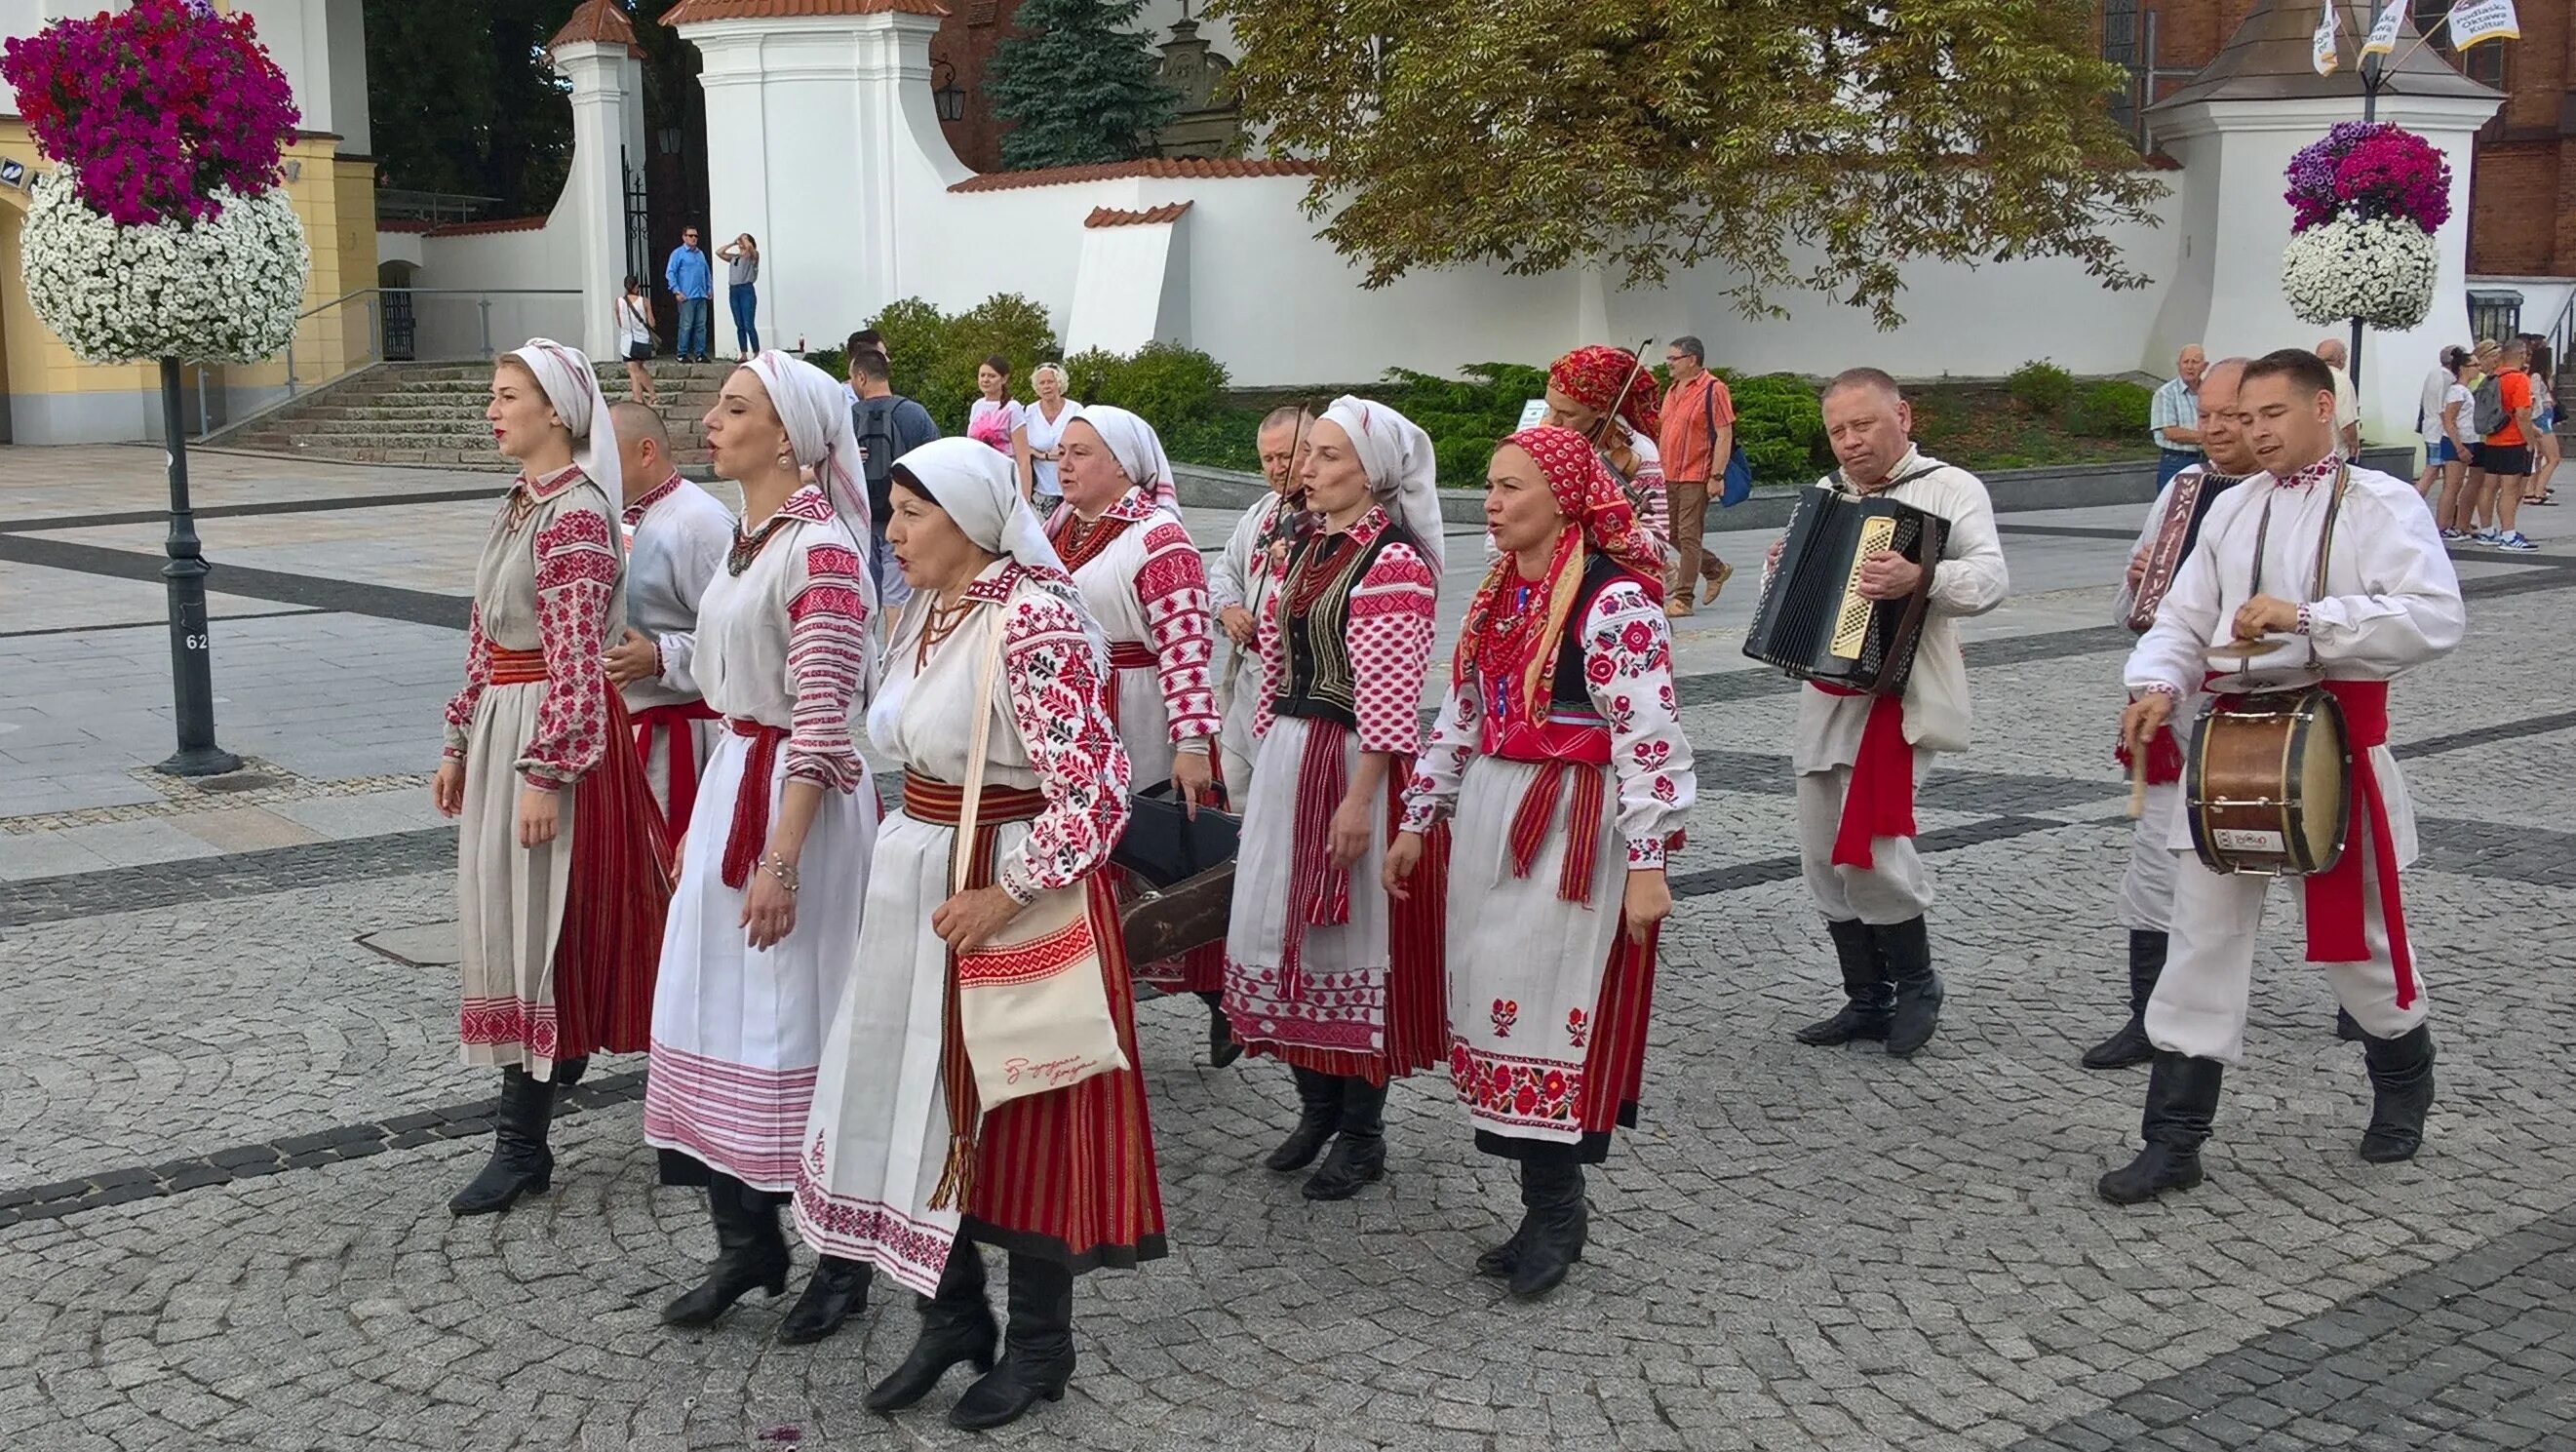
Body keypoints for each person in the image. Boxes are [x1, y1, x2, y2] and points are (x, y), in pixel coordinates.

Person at [793, 438, 1162, 1432]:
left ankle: (1041, 1346)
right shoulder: (923, 611)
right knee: (917, 1095)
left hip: (1009, 886)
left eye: (913, 513)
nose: (893, 531)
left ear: (968, 519)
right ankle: (951, 1313)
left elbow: (1096, 795)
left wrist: (1006, 889)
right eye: (893, 511)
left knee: (1017, 1105)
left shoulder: (1033, 620)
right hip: (917, 869)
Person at [2100, 347, 2465, 1204]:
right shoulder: (2231, 510)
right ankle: (2174, 1139)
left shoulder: (2382, 502)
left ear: (2323, 409)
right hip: (2232, 746)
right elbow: (2184, 620)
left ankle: (2404, 1072)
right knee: (2201, 939)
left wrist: (2310, 619)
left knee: (2363, 946)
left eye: (2271, 415)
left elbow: (2435, 616)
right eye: (2242, 416)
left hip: (2335, 747)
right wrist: (2155, 682)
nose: (2254, 432)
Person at [1391, 424, 1693, 1299]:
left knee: (1548, 1012)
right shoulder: (1497, 597)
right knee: (1492, 1000)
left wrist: (1646, 862)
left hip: (1570, 820)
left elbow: (1648, 737)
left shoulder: (1613, 602)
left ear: (1563, 499)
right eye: (1488, 484)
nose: (1491, 502)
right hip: (1494, 808)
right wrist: (1421, 814)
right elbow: (1461, 713)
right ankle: (1538, 1205)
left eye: (1511, 487)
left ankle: (1560, 1208)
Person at [644, 354, 881, 1342]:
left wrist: (779, 859)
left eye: (735, 408)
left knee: (802, 1018)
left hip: (798, 807)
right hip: (737, 779)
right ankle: (746, 1244)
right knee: (710, 1006)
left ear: (786, 435)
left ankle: (841, 1258)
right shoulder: (750, 541)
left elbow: (823, 727)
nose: (711, 420)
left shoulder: (818, 550)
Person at [434, 339, 671, 1216]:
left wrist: (547, 771)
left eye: (509, 396)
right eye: (493, 396)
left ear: (558, 412)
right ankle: (535, 1106)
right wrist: (459, 737)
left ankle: (521, 1141)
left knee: (542, 929)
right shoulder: (519, 504)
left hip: (547, 734)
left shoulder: (574, 514)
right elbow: (481, 636)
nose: (495, 410)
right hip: (505, 723)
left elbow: (577, 661)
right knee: (511, 919)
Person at [1222, 397, 1450, 1201]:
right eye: (1308, 455)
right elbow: (1278, 665)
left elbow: (1389, 698)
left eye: (1325, 457)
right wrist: (1262, 745)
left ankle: (1363, 1132)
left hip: (1353, 762)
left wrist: (1361, 801)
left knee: (1348, 937)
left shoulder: (1393, 563)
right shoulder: (1305, 548)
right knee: (1280, 928)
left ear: (1372, 474)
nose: (1307, 470)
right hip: (1291, 754)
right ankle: (1315, 1107)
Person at [1778, 369, 2009, 1059]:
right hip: (1826, 691)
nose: (1850, 443)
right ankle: (1865, 998)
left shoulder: (1950, 487)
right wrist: (1781, 570)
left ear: (1902, 416)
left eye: (1863, 425)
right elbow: (1797, 591)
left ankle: (1917, 982)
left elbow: (1993, 578)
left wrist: (1925, 576)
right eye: (1838, 431)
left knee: (1873, 843)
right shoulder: (1825, 495)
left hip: (1900, 694)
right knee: (1821, 848)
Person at [2084, 357, 2256, 1070]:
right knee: (2156, 858)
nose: (2213, 429)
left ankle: (2366, 1005)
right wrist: (2137, 581)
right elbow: (2141, 602)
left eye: (2231, 416)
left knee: (2316, 860)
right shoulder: (2185, 486)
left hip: (2267, 710)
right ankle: (2148, 1017)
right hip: (2173, 702)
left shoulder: (2306, 497)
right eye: (2206, 413)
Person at [1047, 405, 1229, 1058]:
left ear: (1122, 464)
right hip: (1082, 711)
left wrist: (1189, 746)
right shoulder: (1062, 525)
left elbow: (1186, 648)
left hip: (1141, 710)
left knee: (1153, 864)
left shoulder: (1159, 538)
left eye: (1079, 453)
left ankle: (1219, 995)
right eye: (1059, 451)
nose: (1062, 463)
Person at [602, 402, 732, 839]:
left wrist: (659, 658)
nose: (597, 467)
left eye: (607, 455)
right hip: (633, 729)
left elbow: (738, 634)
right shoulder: (619, 513)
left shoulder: (700, 523)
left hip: (685, 740)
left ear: (645, 452)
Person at [1209, 405, 1311, 792]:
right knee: (1233, 786)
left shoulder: (1329, 515)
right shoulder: (1262, 511)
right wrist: (1228, 608)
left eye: (1286, 456)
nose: (1276, 467)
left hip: (1296, 685)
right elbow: (1224, 570)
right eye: (1268, 458)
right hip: (1250, 679)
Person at [1544, 345, 1670, 553]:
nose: (1552, 421)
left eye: (1567, 414)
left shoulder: (1640, 452)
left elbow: (1658, 547)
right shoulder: (1549, 440)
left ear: (1602, 411)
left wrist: (1599, 524)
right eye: (1550, 407)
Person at [850, 344, 941, 608]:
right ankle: (896, 649)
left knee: (863, 601)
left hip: (860, 522)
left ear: (861, 377)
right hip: (903, 521)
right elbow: (935, 468)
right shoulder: (914, 414)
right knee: (897, 601)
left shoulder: (846, 418)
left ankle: (868, 650)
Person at [1657, 336, 1735, 618]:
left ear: (1692, 360)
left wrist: (1716, 475)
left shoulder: (1714, 389)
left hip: (1696, 473)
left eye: (1673, 359)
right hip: (1669, 473)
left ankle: (1683, 599)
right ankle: (1715, 569)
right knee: (1672, 533)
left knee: (1689, 535)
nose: (1668, 364)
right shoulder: (1672, 390)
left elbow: (1725, 434)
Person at [2469, 337, 2537, 551]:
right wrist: (2530, 441)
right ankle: (2508, 534)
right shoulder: (2519, 379)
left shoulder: (2492, 377)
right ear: (2521, 355)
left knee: (2489, 485)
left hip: (2492, 438)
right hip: (2512, 439)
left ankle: (2487, 530)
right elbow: (2522, 414)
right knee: (2510, 488)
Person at [1014, 362, 1077, 514]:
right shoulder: (1027, 412)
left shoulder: (1075, 410)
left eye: (1050, 382)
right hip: (1040, 491)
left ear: (1059, 383)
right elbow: (1018, 445)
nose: (1046, 386)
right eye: (1042, 383)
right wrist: (1042, 455)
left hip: (1072, 490)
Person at [2427, 348, 2476, 534]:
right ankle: (2442, 525)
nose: (2477, 369)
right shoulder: (2456, 391)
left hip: (2465, 439)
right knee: (2452, 486)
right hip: (2456, 441)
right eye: (2474, 365)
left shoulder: (2464, 390)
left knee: (2456, 485)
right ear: (2463, 368)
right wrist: (2459, 447)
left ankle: (2448, 523)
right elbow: (2449, 419)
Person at [2151, 344, 2206, 487]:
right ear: (2178, 365)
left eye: (2195, 362)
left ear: (2204, 366)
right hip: (2177, 461)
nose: (2190, 366)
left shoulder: (2209, 392)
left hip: (2207, 459)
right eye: (2186, 362)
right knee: (2173, 507)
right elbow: (2170, 432)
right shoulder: (2165, 393)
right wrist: (2209, 437)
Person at [665, 226, 714, 364]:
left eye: (695, 236)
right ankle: (681, 353)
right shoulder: (678, 254)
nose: (693, 238)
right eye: (691, 235)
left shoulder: (700, 254)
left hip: (701, 295)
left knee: (701, 326)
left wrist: (709, 289)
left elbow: (706, 273)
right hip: (687, 296)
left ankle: (700, 353)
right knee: (686, 325)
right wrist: (676, 291)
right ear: (684, 237)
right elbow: (670, 273)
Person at [614, 276, 660, 407]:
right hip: (642, 340)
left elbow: (619, 322)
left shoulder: (618, 302)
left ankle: (648, 396)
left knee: (634, 370)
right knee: (636, 369)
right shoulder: (644, 301)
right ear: (636, 287)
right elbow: (651, 322)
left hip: (627, 341)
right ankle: (640, 398)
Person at [2522, 343, 2557, 510]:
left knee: (2541, 455)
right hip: (2541, 418)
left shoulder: (2539, 376)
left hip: (2544, 416)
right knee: (2553, 457)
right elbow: (2534, 398)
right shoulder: (2536, 377)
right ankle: (2538, 491)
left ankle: (2532, 489)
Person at [967, 355, 1024, 457]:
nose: (985, 380)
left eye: (992, 376)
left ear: (1004, 379)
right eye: (982, 375)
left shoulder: (1012, 407)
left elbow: (1022, 455)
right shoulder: (977, 406)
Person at [2314, 337, 2361, 458]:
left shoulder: (2308, 379)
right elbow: (2346, 421)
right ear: (2340, 358)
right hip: (2336, 453)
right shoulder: (2341, 380)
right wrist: (2354, 444)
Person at [715, 234, 760, 359]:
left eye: (744, 239)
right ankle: (743, 353)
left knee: (748, 324)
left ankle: (756, 353)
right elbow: (719, 252)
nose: (741, 240)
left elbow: (752, 251)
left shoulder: (752, 256)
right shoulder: (735, 258)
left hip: (746, 289)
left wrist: (746, 241)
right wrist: (733, 243)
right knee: (739, 324)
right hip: (734, 291)